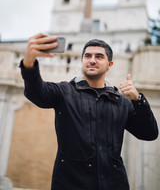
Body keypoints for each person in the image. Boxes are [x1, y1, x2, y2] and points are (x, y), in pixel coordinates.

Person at [20, 33, 158, 190]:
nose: (92, 60)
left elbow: (149, 133)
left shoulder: (122, 102)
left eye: (99, 56)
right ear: (82, 61)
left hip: (114, 184)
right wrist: (29, 64)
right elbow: (37, 93)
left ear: (109, 64)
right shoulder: (64, 92)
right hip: (70, 184)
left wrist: (138, 99)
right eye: (88, 56)